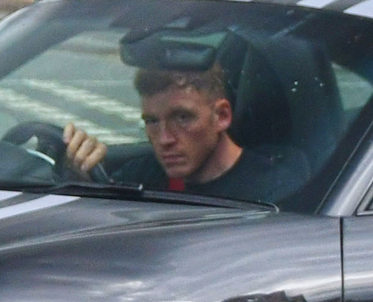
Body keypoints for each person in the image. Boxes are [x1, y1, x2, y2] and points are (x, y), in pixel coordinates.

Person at [60, 64, 305, 203]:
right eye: (152, 121)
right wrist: (79, 172)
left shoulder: (274, 191)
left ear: (221, 116)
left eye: (183, 118)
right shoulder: (142, 177)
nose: (165, 139)